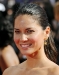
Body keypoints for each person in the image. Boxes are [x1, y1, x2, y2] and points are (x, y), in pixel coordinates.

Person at [3, 3, 59, 75]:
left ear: (46, 32)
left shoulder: (55, 72)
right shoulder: (9, 72)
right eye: (17, 31)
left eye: (29, 31)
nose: (23, 38)